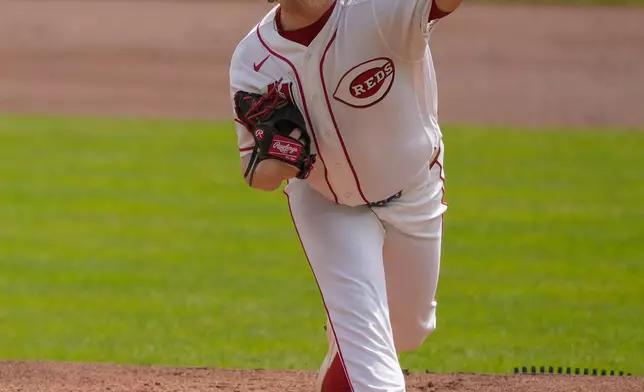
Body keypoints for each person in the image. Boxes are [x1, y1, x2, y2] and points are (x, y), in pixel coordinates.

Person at [229, 0, 463, 390]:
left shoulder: (379, 11)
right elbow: (258, 175)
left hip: (413, 192)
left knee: (406, 331)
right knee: (372, 360)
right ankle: (354, 339)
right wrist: (283, 154)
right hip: (328, 205)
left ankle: (346, 348)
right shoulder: (252, 58)